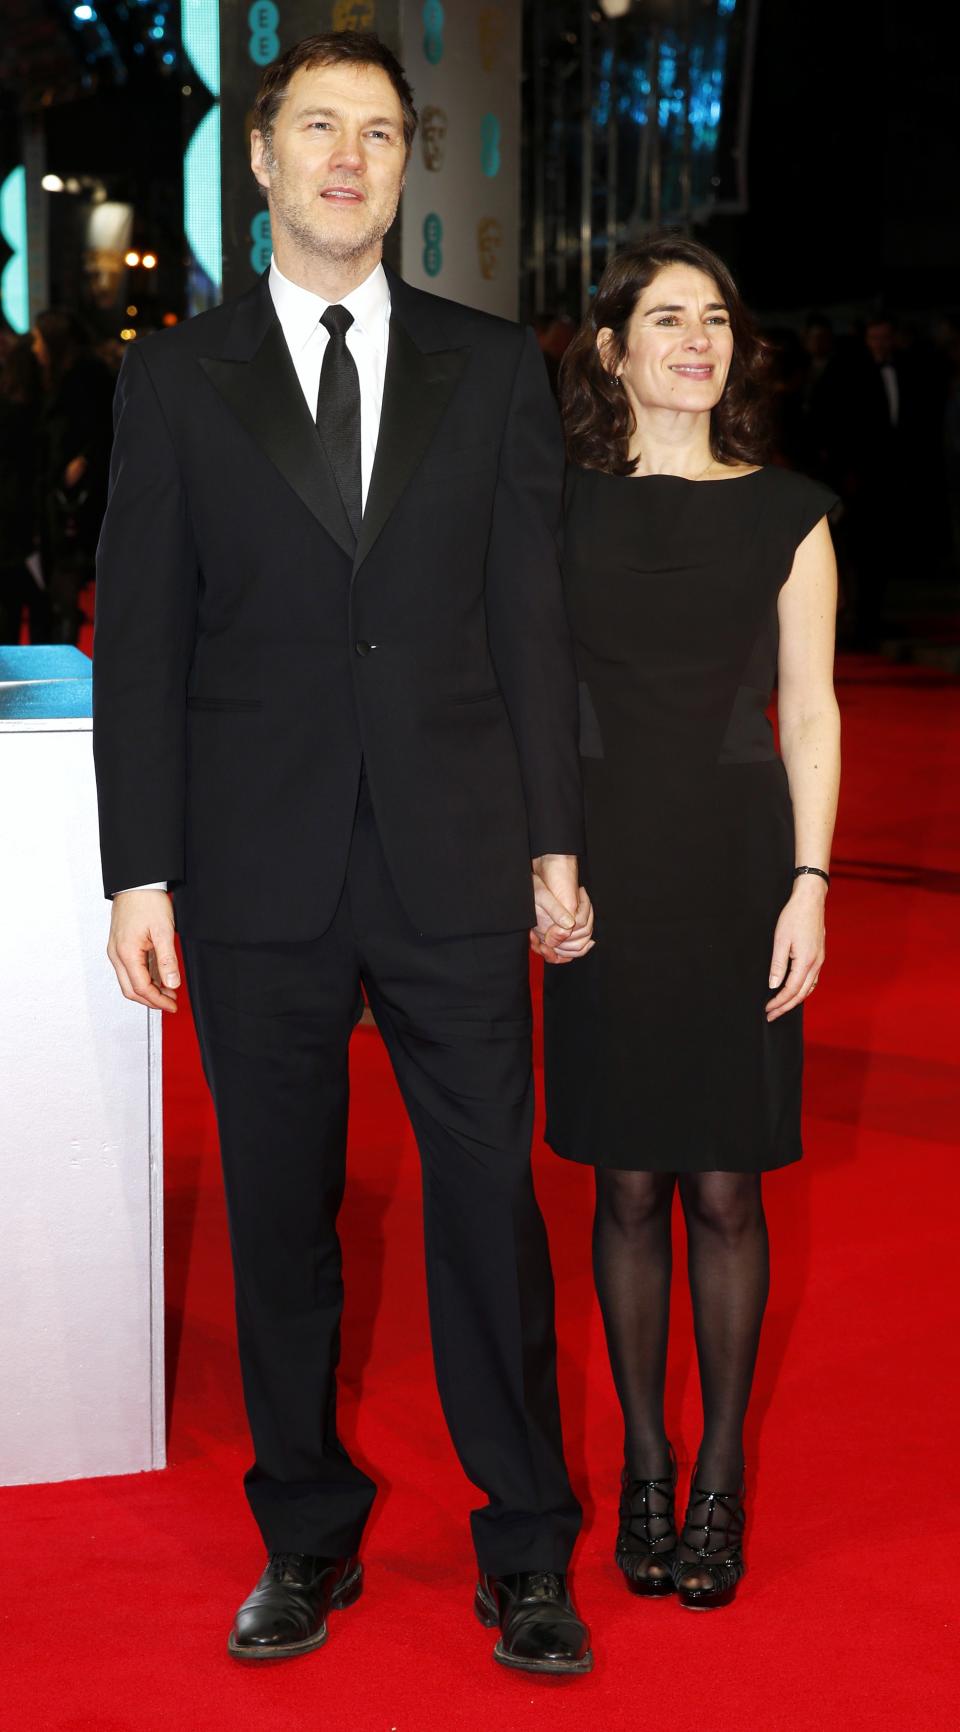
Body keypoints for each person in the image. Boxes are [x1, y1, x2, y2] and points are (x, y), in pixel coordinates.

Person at [93, 31, 595, 1675]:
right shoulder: (177, 376)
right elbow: (145, 634)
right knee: (281, 1214)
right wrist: (138, 869)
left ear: (404, 165)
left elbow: (533, 617)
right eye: (319, 126)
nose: (350, 156)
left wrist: (552, 839)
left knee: (484, 1209)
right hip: (254, 871)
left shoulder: (490, 362)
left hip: (453, 856)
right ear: (258, 154)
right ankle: (303, 1533)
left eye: (380, 132)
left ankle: (524, 1540)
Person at [540, 237, 841, 1610]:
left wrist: (814, 886)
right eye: (666, 318)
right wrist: (534, 867)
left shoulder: (789, 511)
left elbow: (814, 712)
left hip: (736, 868)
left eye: (714, 317)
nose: (696, 339)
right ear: (612, 348)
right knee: (626, 1184)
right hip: (603, 867)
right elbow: (524, 703)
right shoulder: (557, 508)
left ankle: (717, 1481)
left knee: (726, 1182)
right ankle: (645, 1467)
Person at [33, 310, 114, 644]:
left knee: (68, 574)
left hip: (79, 497)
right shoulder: (56, 375)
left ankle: (65, 642)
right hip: (65, 492)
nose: (35, 348)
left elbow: (103, 427)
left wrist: (82, 461)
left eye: (39, 340)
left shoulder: (83, 376)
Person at [0, 337, 47, 644]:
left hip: (12, 514)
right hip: (29, 512)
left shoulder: (11, 412)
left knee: (10, 604)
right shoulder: (39, 410)